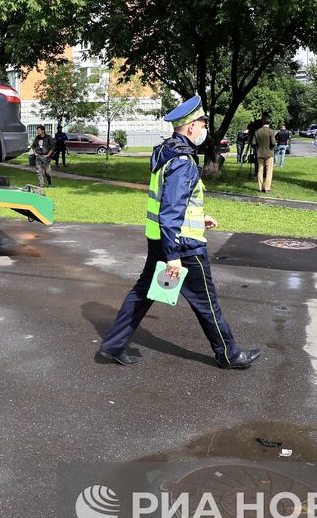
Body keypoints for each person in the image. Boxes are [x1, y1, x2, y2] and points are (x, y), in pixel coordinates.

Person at [97, 96, 262, 370]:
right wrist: (174, 256)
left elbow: (172, 203)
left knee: (143, 294)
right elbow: (171, 208)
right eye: (201, 124)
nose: (204, 129)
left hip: (161, 241)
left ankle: (113, 344)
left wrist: (198, 216)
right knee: (206, 301)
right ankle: (229, 355)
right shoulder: (183, 161)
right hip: (183, 248)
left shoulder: (165, 152)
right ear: (189, 128)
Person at [253, 116, 276, 193]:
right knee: (269, 171)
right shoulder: (271, 131)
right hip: (269, 153)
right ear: (270, 122)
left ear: (262, 122)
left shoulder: (257, 131)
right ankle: (267, 188)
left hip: (259, 153)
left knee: (260, 171)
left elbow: (253, 143)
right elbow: (273, 143)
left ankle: (260, 187)